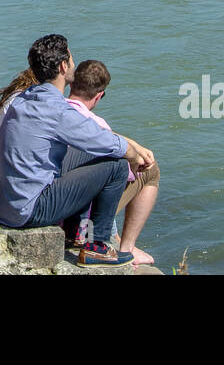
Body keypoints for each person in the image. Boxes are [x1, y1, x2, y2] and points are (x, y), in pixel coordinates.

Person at [0, 34, 154, 266]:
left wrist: (129, 147)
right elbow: (102, 140)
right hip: (27, 210)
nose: (74, 64)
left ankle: (75, 232)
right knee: (117, 165)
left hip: (3, 202)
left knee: (100, 153)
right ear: (64, 66)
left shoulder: (23, 98)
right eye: (72, 59)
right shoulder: (56, 109)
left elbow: (93, 139)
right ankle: (99, 246)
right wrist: (133, 154)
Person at [65, 60, 160, 266]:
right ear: (99, 96)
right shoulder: (98, 126)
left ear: (70, 84)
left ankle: (112, 238)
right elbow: (115, 181)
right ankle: (126, 249)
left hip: (58, 199)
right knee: (147, 173)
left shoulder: (54, 111)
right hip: (78, 215)